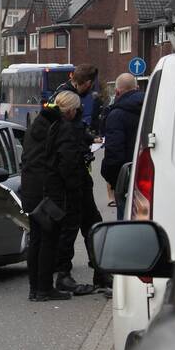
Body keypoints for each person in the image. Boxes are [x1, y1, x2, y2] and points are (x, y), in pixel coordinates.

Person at [53, 64, 110, 296]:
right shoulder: (69, 101)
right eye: (91, 85)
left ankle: (99, 272)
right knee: (77, 226)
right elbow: (67, 142)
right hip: (74, 178)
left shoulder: (63, 94)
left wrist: (86, 138)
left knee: (89, 224)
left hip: (77, 176)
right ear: (86, 83)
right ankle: (68, 275)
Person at [20, 90, 82, 302]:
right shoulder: (63, 128)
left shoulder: (36, 125)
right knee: (49, 240)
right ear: (70, 110)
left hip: (30, 189)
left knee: (36, 240)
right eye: (75, 110)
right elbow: (67, 163)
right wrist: (74, 188)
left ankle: (34, 288)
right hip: (50, 191)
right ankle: (45, 289)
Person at [101, 73, 144, 220]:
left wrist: (113, 180)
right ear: (137, 88)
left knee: (125, 221)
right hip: (149, 174)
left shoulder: (116, 115)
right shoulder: (153, 107)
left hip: (126, 178)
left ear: (117, 92)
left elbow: (114, 153)